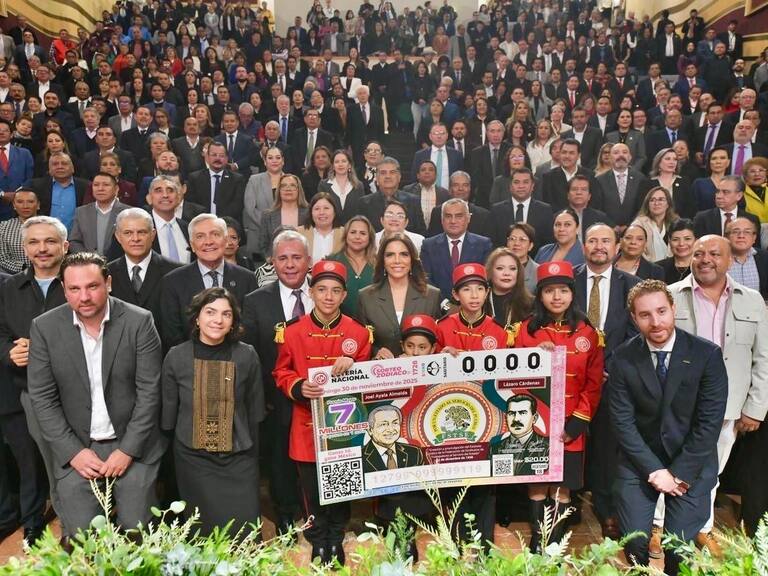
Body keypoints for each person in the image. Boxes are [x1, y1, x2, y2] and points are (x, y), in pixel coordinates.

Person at [27, 252, 165, 538]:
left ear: (109, 283)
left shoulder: (139, 321)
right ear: (63, 289)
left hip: (132, 444)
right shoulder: (44, 327)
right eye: (74, 289)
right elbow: (42, 398)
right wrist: (74, 452)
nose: (84, 297)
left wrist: (127, 450)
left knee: (136, 530)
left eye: (92, 286)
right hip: (77, 445)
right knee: (81, 537)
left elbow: (150, 392)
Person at [659, 235, 768, 554]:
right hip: (675, 403)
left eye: (714, 254)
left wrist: (756, 407)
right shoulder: (670, 295)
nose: (705, 259)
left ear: (730, 260)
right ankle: (662, 529)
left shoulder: (752, 300)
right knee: (670, 466)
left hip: (728, 404)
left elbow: (763, 356)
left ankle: (699, 529)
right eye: (698, 253)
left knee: (711, 471)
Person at [610, 279, 728, 574]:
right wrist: (654, 470)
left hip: (690, 463)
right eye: (645, 315)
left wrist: (678, 474)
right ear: (634, 318)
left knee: (678, 548)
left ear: (673, 309)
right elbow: (622, 422)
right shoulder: (623, 357)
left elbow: (709, 424)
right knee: (635, 542)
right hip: (640, 462)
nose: (656, 322)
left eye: (662, 311)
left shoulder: (707, 355)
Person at [273, 260, 371, 565]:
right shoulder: (291, 332)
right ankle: (318, 540)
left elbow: (371, 379)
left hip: (344, 426)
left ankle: (336, 537)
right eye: (322, 290)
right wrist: (299, 386)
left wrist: (356, 367)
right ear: (311, 292)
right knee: (312, 488)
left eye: (336, 291)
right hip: (305, 423)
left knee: (341, 486)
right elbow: (280, 372)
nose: (328, 297)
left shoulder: (359, 332)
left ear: (344, 296)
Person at [511, 260, 604, 550]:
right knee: (537, 483)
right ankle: (538, 543)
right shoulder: (524, 331)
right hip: (535, 423)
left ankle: (555, 544)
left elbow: (594, 383)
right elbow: (512, 379)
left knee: (562, 487)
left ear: (572, 294)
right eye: (549, 291)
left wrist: (577, 422)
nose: (556, 297)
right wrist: (535, 359)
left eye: (563, 290)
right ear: (539, 295)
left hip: (571, 424)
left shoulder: (588, 333)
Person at [162, 287, 264, 536]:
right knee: (202, 533)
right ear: (197, 317)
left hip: (240, 459)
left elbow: (256, 412)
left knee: (244, 533)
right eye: (210, 312)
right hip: (193, 460)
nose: (218, 320)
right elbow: (167, 419)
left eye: (226, 314)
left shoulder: (247, 355)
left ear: (233, 322)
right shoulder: (176, 357)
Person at [0, 216, 68, 544]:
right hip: (21, 389)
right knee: (28, 462)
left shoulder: (78, 282)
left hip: (72, 391)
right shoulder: (8, 288)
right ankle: (32, 525)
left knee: (69, 462)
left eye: (50, 241)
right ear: (24, 248)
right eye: (34, 242)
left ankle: (77, 524)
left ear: (64, 246)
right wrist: (8, 351)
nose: (42, 249)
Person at [435, 263, 511, 549]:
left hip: (488, 418)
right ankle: (455, 542)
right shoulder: (442, 328)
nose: (474, 295)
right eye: (467, 289)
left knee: (484, 482)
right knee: (452, 481)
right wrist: (438, 356)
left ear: (487, 292)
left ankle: (484, 544)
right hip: (449, 419)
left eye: (480, 288)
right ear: (456, 294)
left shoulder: (500, 332)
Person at [242, 230, 312, 539]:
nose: (290, 264)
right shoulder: (255, 301)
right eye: (283, 258)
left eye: (297, 257)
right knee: (280, 461)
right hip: (277, 400)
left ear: (309, 261)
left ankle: (318, 515)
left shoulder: (325, 293)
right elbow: (251, 354)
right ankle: (285, 517)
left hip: (321, 398)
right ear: (273, 262)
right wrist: (263, 397)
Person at [160, 214, 258, 348]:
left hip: (236, 359)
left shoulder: (248, 279)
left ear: (225, 240)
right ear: (192, 245)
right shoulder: (172, 282)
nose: (208, 241)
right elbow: (172, 333)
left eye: (215, 234)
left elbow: (250, 329)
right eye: (200, 236)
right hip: (189, 361)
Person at [358, 233, 441, 358]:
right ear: (383, 261)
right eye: (390, 255)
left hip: (421, 373)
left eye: (404, 254)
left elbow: (438, 341)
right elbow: (361, 342)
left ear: (412, 260)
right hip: (382, 372)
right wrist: (377, 353)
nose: (397, 261)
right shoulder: (366, 296)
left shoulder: (432, 295)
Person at [107, 208, 181, 320]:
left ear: (153, 234)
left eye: (142, 232)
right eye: (128, 233)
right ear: (118, 237)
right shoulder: (106, 273)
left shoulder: (176, 272)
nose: (135, 239)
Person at [421, 198, 493, 300]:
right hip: (437, 307)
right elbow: (425, 279)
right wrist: (444, 304)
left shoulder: (483, 245)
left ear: (468, 218)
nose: (453, 221)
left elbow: (486, 279)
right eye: (448, 216)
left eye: (459, 216)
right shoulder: (428, 245)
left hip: (473, 305)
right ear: (442, 220)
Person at [68, 173, 131, 256]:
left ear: (116, 189)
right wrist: (88, 259)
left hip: (118, 265)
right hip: (88, 264)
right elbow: (74, 241)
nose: (100, 188)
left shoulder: (129, 212)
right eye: (96, 185)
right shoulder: (81, 211)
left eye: (106, 185)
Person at [328, 216, 376, 317]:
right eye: (353, 232)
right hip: (338, 324)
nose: (357, 237)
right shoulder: (331, 262)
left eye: (362, 233)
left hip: (373, 325)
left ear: (370, 237)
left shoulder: (379, 263)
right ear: (346, 235)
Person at [491, 394, 550, 476]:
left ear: (534, 418)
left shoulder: (549, 447)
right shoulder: (493, 449)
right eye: (511, 413)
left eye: (522, 413)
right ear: (506, 417)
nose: (516, 419)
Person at [256, 173, 310, 259]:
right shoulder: (268, 215)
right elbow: (263, 244)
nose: (288, 189)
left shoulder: (309, 213)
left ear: (299, 190)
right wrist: (270, 259)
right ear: (279, 190)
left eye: (292, 185)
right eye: (284, 186)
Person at [693, 175, 760, 238]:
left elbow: (755, 248)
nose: (719, 196)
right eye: (717, 191)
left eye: (725, 192)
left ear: (739, 196)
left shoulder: (751, 220)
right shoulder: (702, 218)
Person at [362, 405, 425, 472]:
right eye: (383, 424)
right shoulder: (360, 457)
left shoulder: (415, 452)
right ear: (370, 430)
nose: (391, 429)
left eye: (395, 423)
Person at [485, 247, 533, 326]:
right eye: (500, 268)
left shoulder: (530, 305)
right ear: (490, 271)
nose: (507, 273)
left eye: (512, 269)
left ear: (518, 273)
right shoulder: (479, 304)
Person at [632, 186, 678, 263]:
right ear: (648, 204)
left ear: (668, 204)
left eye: (661, 199)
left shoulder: (676, 223)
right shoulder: (639, 224)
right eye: (652, 200)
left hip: (672, 266)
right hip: (647, 267)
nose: (656, 203)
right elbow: (636, 249)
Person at [298, 191, 344, 263]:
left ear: (334, 212)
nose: (321, 212)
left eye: (326, 208)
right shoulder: (299, 234)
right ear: (311, 213)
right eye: (317, 209)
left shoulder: (345, 234)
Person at [0, 189, 38, 274]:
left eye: (30, 202)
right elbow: (2, 258)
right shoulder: (3, 227)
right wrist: (24, 268)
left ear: (38, 205)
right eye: (20, 202)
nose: (25, 206)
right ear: (14, 205)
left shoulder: (51, 226)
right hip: (14, 277)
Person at [506, 222, 539, 292]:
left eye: (522, 239)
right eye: (512, 239)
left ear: (530, 246)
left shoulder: (538, 271)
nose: (516, 243)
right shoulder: (496, 268)